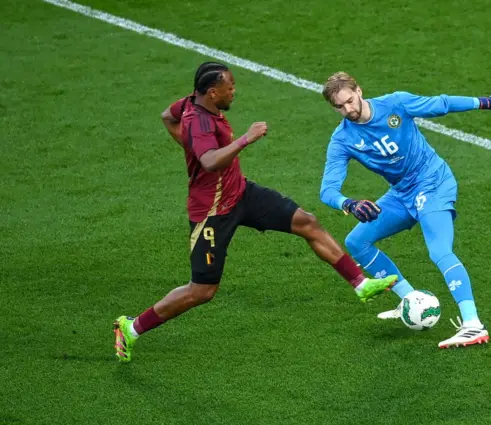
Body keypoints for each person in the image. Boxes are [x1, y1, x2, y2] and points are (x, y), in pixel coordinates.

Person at [112, 63, 397, 363]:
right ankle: (131, 327)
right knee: (202, 290)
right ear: (212, 92)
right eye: (230, 87)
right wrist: (244, 138)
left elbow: (167, 117)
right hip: (212, 212)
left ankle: (361, 285)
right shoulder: (200, 122)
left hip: (241, 193)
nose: (234, 91)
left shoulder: (189, 102)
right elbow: (209, 161)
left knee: (307, 222)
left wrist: (188, 146)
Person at [319, 72, 491, 348]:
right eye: (339, 107)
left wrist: (486, 102)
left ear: (360, 91)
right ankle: (411, 300)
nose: (348, 110)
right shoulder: (343, 139)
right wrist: (349, 204)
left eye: (350, 101)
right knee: (357, 241)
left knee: (439, 250)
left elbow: (441, 104)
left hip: (432, 182)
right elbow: (327, 190)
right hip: (401, 193)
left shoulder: (395, 104)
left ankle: (473, 324)